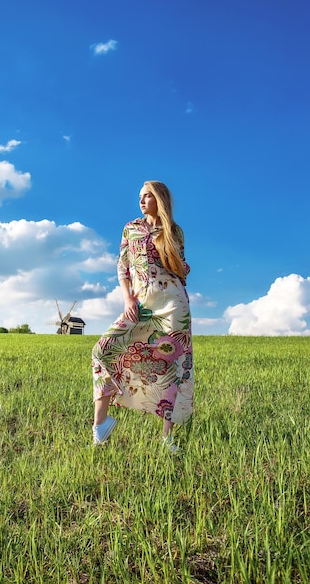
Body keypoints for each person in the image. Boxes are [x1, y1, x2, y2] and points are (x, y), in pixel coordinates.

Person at [91, 180, 194, 451]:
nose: (142, 200)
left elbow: (182, 270)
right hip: (140, 302)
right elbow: (122, 266)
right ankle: (100, 424)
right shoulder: (131, 228)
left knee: (172, 365)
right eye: (140, 196)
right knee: (102, 350)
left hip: (171, 302)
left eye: (147, 195)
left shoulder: (173, 231)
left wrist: (173, 255)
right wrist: (128, 298)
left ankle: (167, 439)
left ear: (159, 199)